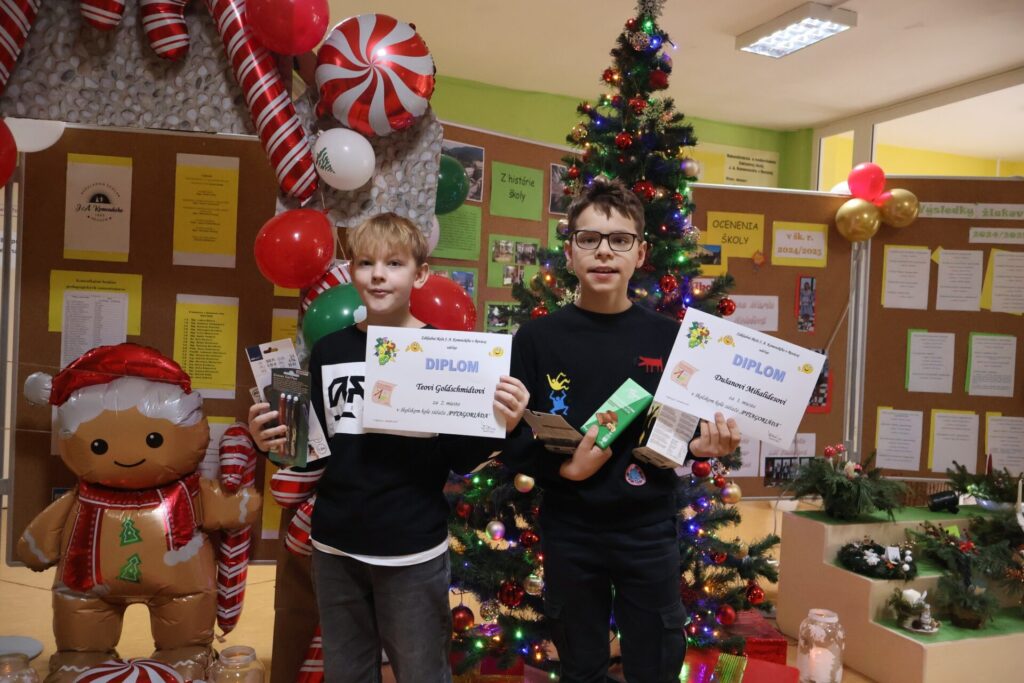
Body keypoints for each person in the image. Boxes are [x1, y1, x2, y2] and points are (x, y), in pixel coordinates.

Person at [249, 213, 529, 683]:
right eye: (366, 263)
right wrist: (271, 441)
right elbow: (311, 448)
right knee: (347, 673)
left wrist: (508, 421)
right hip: (335, 544)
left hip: (411, 548)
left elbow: (463, 459)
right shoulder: (330, 350)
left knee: (422, 672)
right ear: (352, 271)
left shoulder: (446, 352)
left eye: (394, 263)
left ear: (420, 274)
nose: (378, 275)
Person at [503, 179, 740, 682]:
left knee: (654, 663)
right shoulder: (537, 339)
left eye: (620, 240)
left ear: (641, 254)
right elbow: (515, 440)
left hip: (647, 529)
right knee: (580, 665)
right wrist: (566, 470)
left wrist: (701, 446)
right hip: (570, 528)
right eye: (589, 238)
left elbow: (682, 430)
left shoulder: (670, 338)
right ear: (570, 252)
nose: (604, 251)